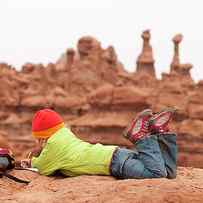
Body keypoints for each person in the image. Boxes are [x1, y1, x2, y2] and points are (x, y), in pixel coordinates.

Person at [21, 108, 177, 179]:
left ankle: (140, 137)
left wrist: (30, 161)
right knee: (169, 173)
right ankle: (160, 132)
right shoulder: (65, 135)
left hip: (114, 164)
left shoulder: (53, 147)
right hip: (117, 153)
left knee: (157, 174)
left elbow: (42, 167)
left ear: (42, 138)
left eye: (38, 139)